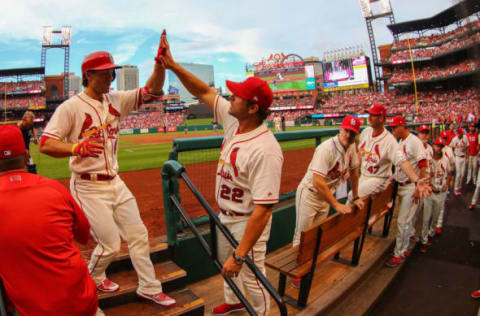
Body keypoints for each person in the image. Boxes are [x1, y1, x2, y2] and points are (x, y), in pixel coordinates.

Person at [39, 42, 176, 306]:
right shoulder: (70, 107)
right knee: (110, 245)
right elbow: (46, 143)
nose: (109, 77)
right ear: (87, 75)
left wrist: (159, 65)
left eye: (111, 71)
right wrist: (76, 147)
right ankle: (89, 283)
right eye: (103, 72)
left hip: (116, 182)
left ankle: (149, 286)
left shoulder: (117, 99)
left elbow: (153, 90)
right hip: (87, 186)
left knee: (138, 235)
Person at [157, 37, 283, 316]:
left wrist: (241, 254)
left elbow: (263, 210)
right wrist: (173, 66)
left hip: (247, 221)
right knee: (225, 263)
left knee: (251, 275)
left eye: (237, 96)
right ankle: (234, 301)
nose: (230, 98)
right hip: (226, 214)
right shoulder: (234, 120)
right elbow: (202, 91)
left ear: (253, 108)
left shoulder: (266, 149)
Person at [0, 125, 101, 316]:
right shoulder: (54, 188)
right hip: (83, 302)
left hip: (33, 310)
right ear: (26, 155)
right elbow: (84, 235)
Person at [292, 115, 364, 287]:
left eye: (353, 133)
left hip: (325, 196)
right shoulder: (326, 149)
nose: (348, 135)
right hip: (309, 194)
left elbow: (354, 172)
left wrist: (355, 196)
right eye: (346, 131)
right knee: (301, 235)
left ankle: (307, 267)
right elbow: (317, 181)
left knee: (315, 234)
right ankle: (296, 274)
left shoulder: (352, 147)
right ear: (340, 129)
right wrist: (336, 204)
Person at [350, 104, 430, 203]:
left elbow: (403, 162)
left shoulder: (390, 141)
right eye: (369, 114)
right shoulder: (366, 132)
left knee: (352, 195)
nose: (369, 118)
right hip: (364, 175)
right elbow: (360, 154)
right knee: (353, 199)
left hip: (378, 179)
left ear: (381, 118)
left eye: (373, 115)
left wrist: (417, 180)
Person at [385, 115, 427, 268]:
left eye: (395, 127)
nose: (393, 129)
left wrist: (418, 187)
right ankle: (405, 243)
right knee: (405, 220)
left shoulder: (414, 142)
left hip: (411, 186)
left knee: (403, 221)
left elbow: (423, 164)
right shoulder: (401, 141)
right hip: (401, 184)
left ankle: (399, 253)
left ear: (402, 126)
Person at [419, 137, 451, 253]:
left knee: (436, 217)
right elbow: (423, 175)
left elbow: (449, 173)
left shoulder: (446, 160)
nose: (439, 149)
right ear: (434, 146)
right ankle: (423, 240)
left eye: (441, 146)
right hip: (430, 191)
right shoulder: (428, 160)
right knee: (426, 218)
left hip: (440, 192)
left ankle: (431, 235)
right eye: (437, 146)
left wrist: (447, 184)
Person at [436, 131, 455, 234]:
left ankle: (438, 225)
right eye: (442, 138)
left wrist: (449, 181)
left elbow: (452, 166)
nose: (443, 140)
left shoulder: (449, 150)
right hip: (435, 178)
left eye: (444, 138)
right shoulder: (435, 149)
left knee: (441, 205)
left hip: (443, 177)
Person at [449, 127, 469, 195]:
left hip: (463, 157)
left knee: (463, 174)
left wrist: (467, 157)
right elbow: (450, 147)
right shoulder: (454, 139)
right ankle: (456, 188)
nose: (459, 134)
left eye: (460, 133)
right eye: (458, 132)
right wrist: (452, 156)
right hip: (457, 157)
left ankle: (459, 187)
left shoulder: (465, 137)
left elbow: (467, 147)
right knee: (458, 174)